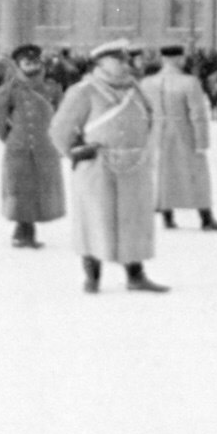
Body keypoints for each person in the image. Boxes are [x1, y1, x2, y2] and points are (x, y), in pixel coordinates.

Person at [48, 38, 167, 293]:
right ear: (100, 63)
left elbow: (153, 121)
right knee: (94, 220)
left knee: (133, 222)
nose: (125, 65)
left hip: (134, 166)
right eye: (117, 60)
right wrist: (77, 153)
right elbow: (59, 131)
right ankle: (92, 277)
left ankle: (136, 275)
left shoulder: (137, 89)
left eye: (126, 60)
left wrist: (146, 151)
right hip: (97, 168)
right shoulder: (84, 91)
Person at [140, 44, 217, 232]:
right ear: (180, 59)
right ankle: (205, 217)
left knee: (164, 174)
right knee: (196, 175)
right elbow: (197, 113)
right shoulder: (189, 82)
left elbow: (142, 113)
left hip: (157, 133)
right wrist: (202, 140)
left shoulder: (147, 83)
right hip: (183, 131)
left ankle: (167, 216)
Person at [0, 43, 65, 248]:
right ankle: (23, 231)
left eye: (34, 61)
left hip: (46, 147)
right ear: (18, 65)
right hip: (19, 148)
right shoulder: (9, 89)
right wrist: (12, 138)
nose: (31, 66)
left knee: (41, 188)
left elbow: (63, 116)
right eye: (26, 62)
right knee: (21, 189)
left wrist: (58, 140)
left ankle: (27, 230)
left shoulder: (52, 87)